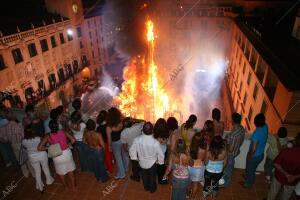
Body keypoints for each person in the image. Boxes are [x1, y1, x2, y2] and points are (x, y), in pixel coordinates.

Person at [38, 120, 76, 191]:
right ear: (58, 126)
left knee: (61, 173)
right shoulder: (64, 132)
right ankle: (73, 187)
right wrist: (67, 145)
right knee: (71, 172)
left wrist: (49, 148)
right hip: (66, 154)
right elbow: (73, 140)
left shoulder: (48, 135)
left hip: (57, 156)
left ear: (49, 127)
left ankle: (66, 187)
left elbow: (39, 148)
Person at [130, 122, 164, 193]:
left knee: (144, 176)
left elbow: (132, 150)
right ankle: (152, 189)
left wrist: (135, 158)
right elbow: (161, 155)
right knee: (152, 177)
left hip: (142, 162)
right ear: (152, 131)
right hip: (152, 163)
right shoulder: (155, 142)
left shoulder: (137, 139)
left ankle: (146, 187)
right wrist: (160, 162)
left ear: (142, 130)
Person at [266, 132, 300, 200]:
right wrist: (293, 177)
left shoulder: (287, 151)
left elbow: (276, 163)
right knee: (286, 197)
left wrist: (286, 174)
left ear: (296, 140)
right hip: (293, 181)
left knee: (273, 192)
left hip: (280, 176)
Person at [22, 125, 54, 192]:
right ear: (33, 131)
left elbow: (25, 148)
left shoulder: (23, 141)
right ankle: (49, 181)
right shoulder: (38, 138)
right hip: (42, 155)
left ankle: (40, 186)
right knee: (45, 168)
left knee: (37, 171)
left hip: (32, 157)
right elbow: (44, 145)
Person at [0, 110, 31, 177]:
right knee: (27, 158)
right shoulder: (17, 125)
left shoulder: (6, 126)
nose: (15, 115)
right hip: (20, 143)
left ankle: (25, 174)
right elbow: (22, 135)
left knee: (20, 160)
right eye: (13, 114)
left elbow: (4, 138)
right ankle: (32, 171)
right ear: (13, 116)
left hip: (13, 145)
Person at [242, 113, 268, 188]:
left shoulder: (256, 134)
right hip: (261, 154)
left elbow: (253, 149)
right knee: (252, 169)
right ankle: (247, 177)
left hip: (254, 156)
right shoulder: (265, 126)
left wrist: (250, 155)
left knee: (251, 170)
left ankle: (248, 183)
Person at [223, 113, 245, 187]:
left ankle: (226, 184)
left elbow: (230, 149)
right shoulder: (241, 128)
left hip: (230, 154)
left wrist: (226, 142)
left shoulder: (233, 135)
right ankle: (226, 181)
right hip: (236, 152)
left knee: (228, 169)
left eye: (231, 119)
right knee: (230, 167)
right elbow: (241, 141)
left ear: (233, 120)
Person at [106, 107, 128, 179]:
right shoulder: (121, 121)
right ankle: (125, 168)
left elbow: (109, 139)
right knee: (124, 155)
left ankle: (121, 174)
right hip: (122, 140)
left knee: (118, 158)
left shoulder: (109, 127)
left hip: (115, 143)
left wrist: (109, 146)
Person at [121, 117, 144, 181]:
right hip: (140, 148)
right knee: (141, 161)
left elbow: (124, 145)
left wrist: (127, 150)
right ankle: (142, 172)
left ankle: (136, 177)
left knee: (134, 163)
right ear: (132, 122)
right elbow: (144, 121)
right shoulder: (138, 126)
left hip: (131, 150)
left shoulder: (123, 132)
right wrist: (136, 119)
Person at [188, 131, 207, 200]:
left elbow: (189, 160)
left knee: (189, 182)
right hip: (199, 169)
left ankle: (187, 194)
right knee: (195, 184)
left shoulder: (189, 147)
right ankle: (192, 197)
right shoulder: (204, 149)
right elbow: (204, 160)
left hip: (190, 167)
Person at [153, 118, 169, 184]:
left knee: (155, 165)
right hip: (162, 152)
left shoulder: (154, 133)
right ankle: (161, 180)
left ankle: (154, 177)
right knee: (161, 166)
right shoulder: (166, 134)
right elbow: (165, 142)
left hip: (155, 152)